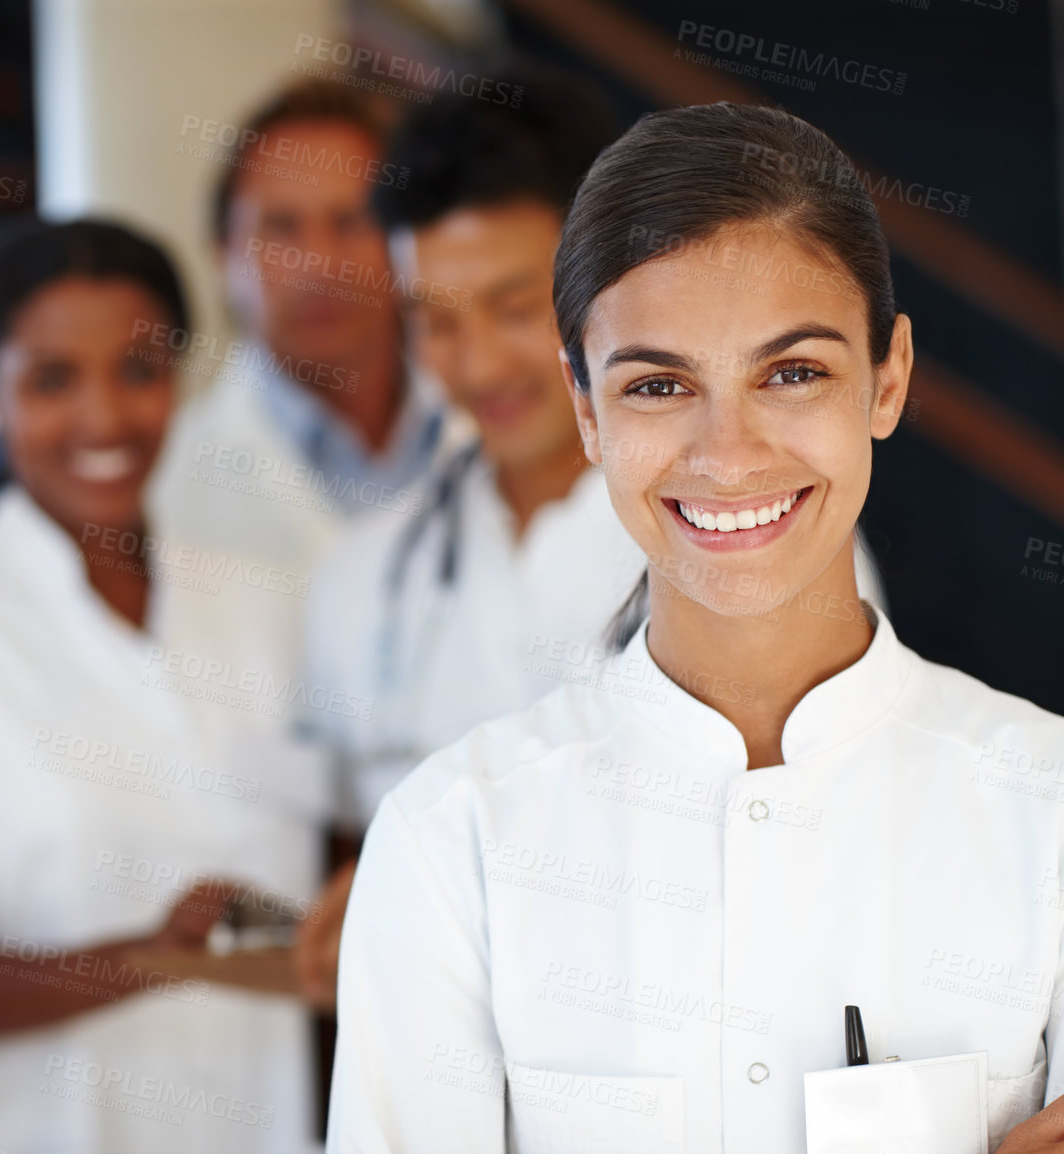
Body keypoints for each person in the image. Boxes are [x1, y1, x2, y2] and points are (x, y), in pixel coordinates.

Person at [329, 103, 1064, 1152]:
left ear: (887, 377)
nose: (728, 452)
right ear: (586, 410)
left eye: (792, 371)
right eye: (658, 384)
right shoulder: (454, 842)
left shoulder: (1048, 812)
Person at [291, 78, 893, 1007]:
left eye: (513, 306)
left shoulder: (757, 533)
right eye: (436, 320)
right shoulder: (360, 579)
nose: (480, 362)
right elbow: (342, 842)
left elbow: (833, 834)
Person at [0, 219, 324, 1154]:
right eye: (52, 379)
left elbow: (335, 865)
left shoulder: (266, 605)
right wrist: (153, 959)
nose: (104, 418)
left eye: (138, 370)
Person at [149, 79, 464, 573]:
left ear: (408, 241)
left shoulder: (480, 422)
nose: (320, 264)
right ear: (223, 255)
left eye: (350, 221)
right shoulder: (164, 486)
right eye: (280, 227)